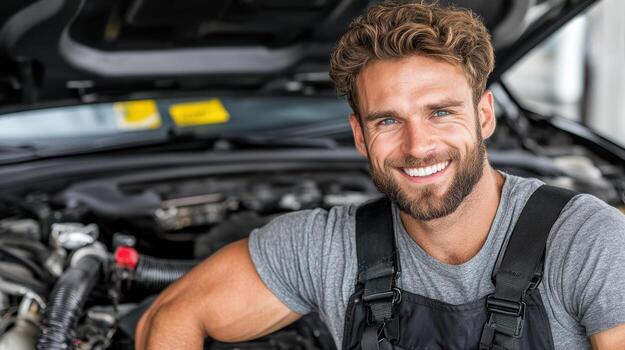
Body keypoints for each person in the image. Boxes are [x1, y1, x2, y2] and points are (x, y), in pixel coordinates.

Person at [135, 1, 625, 349]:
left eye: (440, 113)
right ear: (359, 135)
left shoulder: (587, 243)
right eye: (388, 120)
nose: (417, 147)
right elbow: (172, 315)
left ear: (485, 116)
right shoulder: (328, 248)